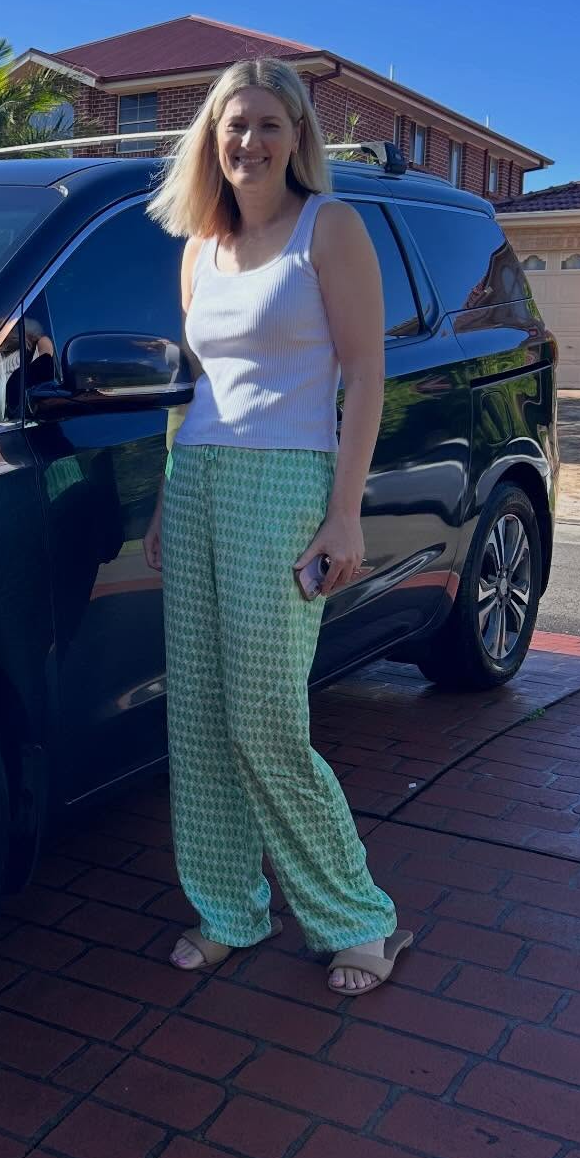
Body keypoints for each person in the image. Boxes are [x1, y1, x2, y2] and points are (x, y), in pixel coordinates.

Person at [142, 58, 411, 996]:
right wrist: (164, 497)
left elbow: (365, 377)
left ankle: (358, 918)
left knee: (264, 720)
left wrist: (345, 513)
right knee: (200, 717)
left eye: (268, 124)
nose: (249, 141)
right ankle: (229, 910)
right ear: (210, 137)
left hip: (287, 482)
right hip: (198, 480)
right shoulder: (199, 245)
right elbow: (192, 388)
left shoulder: (328, 228)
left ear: (298, 136)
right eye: (234, 124)